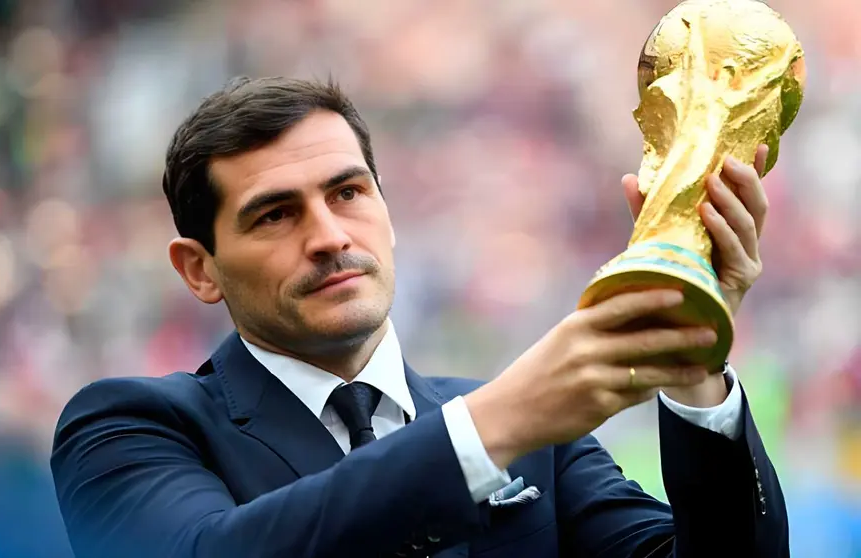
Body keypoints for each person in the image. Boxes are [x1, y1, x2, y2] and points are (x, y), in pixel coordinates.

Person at [50, 76, 789, 557]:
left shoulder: (539, 440)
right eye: (275, 215)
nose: (330, 235)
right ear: (200, 269)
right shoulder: (128, 429)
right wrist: (489, 429)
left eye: (348, 192)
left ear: (387, 209)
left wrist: (695, 361)